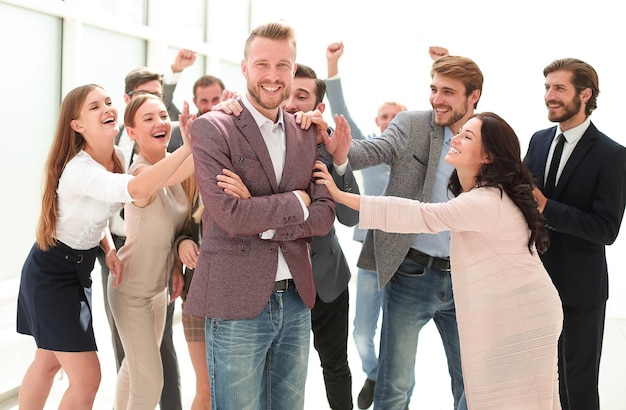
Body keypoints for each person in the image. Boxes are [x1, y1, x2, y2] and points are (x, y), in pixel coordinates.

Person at [314, 111, 564, 409]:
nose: (454, 138)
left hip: (523, 316)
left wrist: (339, 195)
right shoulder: (481, 195)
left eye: (467, 136)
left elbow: (419, 214)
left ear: (487, 156)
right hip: (518, 310)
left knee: (506, 400)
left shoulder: (485, 201)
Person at [309, 53, 486, 409]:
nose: (437, 99)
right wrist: (338, 150)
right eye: (434, 89)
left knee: (473, 383)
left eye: (448, 92)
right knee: (395, 385)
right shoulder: (414, 124)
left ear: (474, 96)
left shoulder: (489, 136)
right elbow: (378, 148)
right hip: (411, 272)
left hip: (467, 277)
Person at [183, 21, 336, 410]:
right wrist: (297, 200)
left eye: (283, 65)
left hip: (297, 304)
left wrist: (261, 212)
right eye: (262, 64)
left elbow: (324, 216)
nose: (273, 75)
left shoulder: (306, 132)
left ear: (294, 68)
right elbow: (230, 216)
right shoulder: (213, 128)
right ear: (245, 67)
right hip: (236, 304)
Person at [15, 84, 192, 409]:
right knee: (87, 379)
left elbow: (94, 218)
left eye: (108, 102)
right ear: (77, 125)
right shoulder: (79, 170)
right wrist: (188, 148)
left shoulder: (117, 157)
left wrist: (109, 249)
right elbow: (139, 187)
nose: (107, 108)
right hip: (51, 273)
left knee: (48, 362)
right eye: (94, 107)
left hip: (77, 271)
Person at [216, 62, 360, 409]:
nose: (293, 103)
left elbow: (350, 216)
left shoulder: (323, 145)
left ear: (319, 107)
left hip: (325, 281)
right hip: (273, 285)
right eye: (290, 94)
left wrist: (339, 162)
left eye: (303, 96)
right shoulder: (254, 140)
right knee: (271, 377)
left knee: (335, 367)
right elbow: (234, 211)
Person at [523, 58, 626, 410]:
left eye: (559, 88)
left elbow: (606, 229)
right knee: (538, 382)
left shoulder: (612, 155)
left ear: (585, 94)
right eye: (547, 87)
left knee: (577, 388)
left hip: (580, 291)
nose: (549, 96)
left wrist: (547, 207)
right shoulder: (537, 141)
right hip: (534, 283)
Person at [98, 60, 193, 410]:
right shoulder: (139, 172)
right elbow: (170, 174)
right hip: (131, 292)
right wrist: (192, 144)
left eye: (162, 115)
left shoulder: (172, 161)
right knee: (149, 382)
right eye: (147, 118)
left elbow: (196, 164)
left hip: (157, 292)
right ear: (132, 132)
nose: (159, 123)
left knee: (132, 370)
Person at [325, 41, 408, 410]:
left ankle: (397, 397)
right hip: (373, 251)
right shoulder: (369, 148)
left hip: (410, 253)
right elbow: (340, 114)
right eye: (382, 116)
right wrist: (332, 65)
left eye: (395, 116)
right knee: (361, 332)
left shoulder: (417, 156)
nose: (387, 121)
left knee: (400, 338)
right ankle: (374, 373)